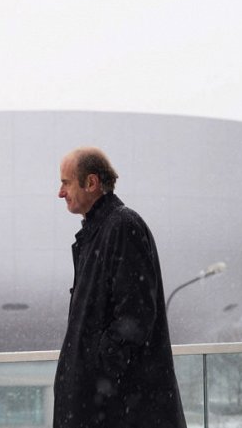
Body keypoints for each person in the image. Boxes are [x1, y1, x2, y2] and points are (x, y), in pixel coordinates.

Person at [54, 147, 186, 428]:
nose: (60, 193)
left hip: (117, 409)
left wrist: (97, 376)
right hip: (110, 406)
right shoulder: (99, 233)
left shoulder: (122, 227)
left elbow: (134, 317)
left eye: (65, 183)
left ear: (91, 183)